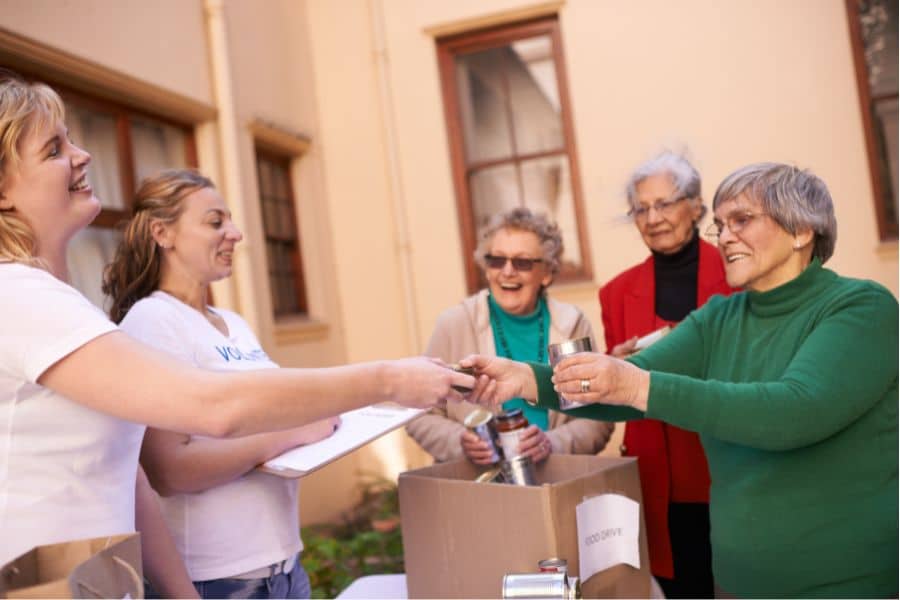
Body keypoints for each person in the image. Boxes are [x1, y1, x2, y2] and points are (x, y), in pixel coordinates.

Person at [0, 71, 472, 593]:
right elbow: (212, 410)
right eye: (54, 149)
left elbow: (126, 478)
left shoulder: (64, 304)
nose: (83, 155)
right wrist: (387, 380)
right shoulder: (18, 296)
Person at [465, 163, 898, 598]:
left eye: (742, 220)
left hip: (845, 582)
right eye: (721, 225)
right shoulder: (720, 317)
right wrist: (524, 378)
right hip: (736, 583)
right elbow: (618, 387)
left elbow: (794, 411)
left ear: (802, 230)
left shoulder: (861, 309)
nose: (725, 236)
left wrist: (636, 386)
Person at [101, 170, 337, 598]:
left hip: (283, 568)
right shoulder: (152, 321)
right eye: (215, 222)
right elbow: (170, 469)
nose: (236, 233)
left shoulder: (234, 324)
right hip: (219, 580)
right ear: (162, 233)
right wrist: (287, 435)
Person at [599, 152, 733, 597]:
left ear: (696, 206)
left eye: (666, 203)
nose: (653, 218)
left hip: (728, 467)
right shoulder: (616, 293)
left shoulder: (739, 274)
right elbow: (613, 397)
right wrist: (612, 366)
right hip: (659, 482)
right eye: (641, 208)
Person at [406, 207, 612, 464]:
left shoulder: (571, 324)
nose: (507, 271)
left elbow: (598, 418)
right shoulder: (455, 324)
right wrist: (460, 442)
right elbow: (417, 413)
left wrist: (553, 444)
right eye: (497, 260)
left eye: (522, 262)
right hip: (481, 488)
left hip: (553, 478)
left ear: (546, 273)